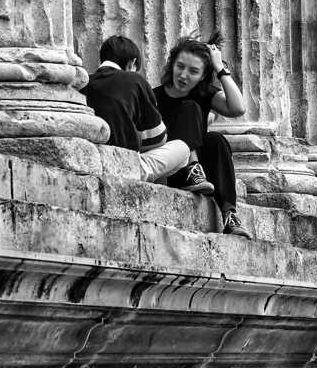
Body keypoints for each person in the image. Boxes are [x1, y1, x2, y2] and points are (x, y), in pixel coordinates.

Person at [153, 36, 252, 238]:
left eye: (193, 71)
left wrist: (220, 68)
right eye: (180, 66)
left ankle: (229, 214)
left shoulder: (204, 93)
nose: (183, 75)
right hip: (171, 168)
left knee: (216, 140)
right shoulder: (153, 97)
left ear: (203, 75)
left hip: (203, 180)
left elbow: (238, 108)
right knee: (189, 108)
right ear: (171, 64)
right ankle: (192, 168)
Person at [83, 34, 199, 188]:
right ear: (132, 63)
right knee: (182, 149)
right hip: (124, 166)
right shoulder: (134, 80)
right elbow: (157, 139)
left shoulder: (83, 82)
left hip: (89, 161)